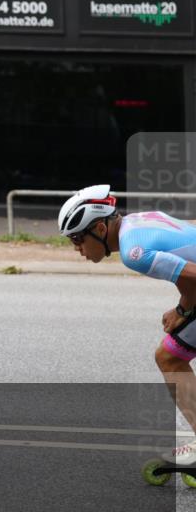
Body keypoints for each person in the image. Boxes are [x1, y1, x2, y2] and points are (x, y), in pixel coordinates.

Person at [58, 185, 196, 466]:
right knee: (171, 355)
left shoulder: (134, 253)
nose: (77, 249)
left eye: (78, 239)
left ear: (99, 228)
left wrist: (183, 309)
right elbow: (186, 259)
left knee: (169, 358)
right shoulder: (138, 220)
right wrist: (183, 308)